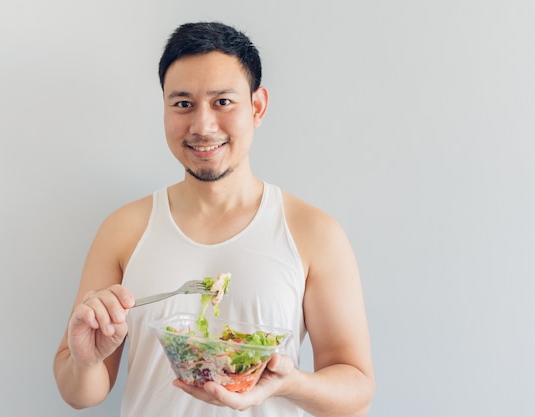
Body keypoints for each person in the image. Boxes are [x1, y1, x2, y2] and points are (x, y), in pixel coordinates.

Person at [54, 21, 375, 417]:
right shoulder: (123, 229)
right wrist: (84, 361)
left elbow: (357, 392)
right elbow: (80, 395)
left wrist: (291, 383)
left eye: (223, 102)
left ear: (257, 107)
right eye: (183, 104)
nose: (203, 126)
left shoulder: (312, 232)